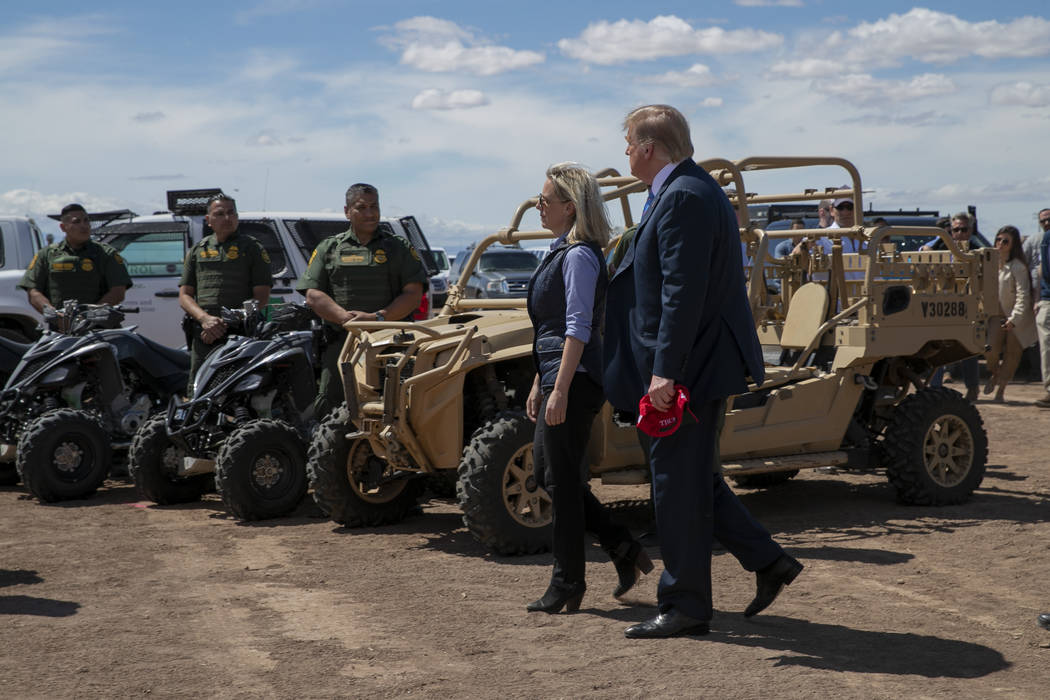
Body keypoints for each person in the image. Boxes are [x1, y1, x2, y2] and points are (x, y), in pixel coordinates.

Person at [604, 105, 801, 639]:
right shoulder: (682, 190)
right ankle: (769, 562)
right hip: (693, 362)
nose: (625, 152)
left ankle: (686, 604)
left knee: (676, 488)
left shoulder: (685, 195)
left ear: (649, 147)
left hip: (688, 368)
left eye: (629, 143)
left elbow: (682, 292)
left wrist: (664, 371)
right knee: (692, 481)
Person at [523, 163, 652, 615]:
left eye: (544, 201)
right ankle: (622, 547)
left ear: (570, 207)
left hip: (576, 380)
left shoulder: (578, 255)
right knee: (550, 475)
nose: (538, 207)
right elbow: (550, 328)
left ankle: (567, 582)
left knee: (561, 481)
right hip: (560, 376)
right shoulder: (561, 250)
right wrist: (541, 382)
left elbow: (578, 327)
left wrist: (558, 389)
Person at [298, 183, 425, 418]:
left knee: (397, 406)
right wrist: (345, 319)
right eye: (362, 207)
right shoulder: (330, 247)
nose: (370, 213)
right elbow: (313, 294)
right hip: (342, 344)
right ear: (347, 211)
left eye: (374, 207)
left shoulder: (398, 247)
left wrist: (377, 318)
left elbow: (413, 294)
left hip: (391, 344)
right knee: (331, 405)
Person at [179, 194, 272, 392]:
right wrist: (205, 320)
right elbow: (185, 296)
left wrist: (225, 323)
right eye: (220, 214)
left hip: (240, 334)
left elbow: (261, 297)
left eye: (231, 213)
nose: (227, 218)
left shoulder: (252, 248)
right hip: (205, 334)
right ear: (208, 220)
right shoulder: (197, 250)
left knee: (238, 391)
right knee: (198, 389)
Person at [19, 203, 132, 322]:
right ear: (63, 227)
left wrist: (90, 316)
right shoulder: (47, 255)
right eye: (76, 222)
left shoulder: (106, 253)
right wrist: (55, 315)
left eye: (86, 221)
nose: (84, 226)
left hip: (98, 327)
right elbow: (33, 292)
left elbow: (118, 291)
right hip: (61, 327)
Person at [927, 212, 982, 401]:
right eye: (955, 230)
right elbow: (925, 252)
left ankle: (973, 387)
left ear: (971, 230)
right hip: (941, 305)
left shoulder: (977, 250)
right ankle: (935, 389)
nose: (959, 234)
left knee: (969, 349)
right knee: (936, 348)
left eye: (964, 229)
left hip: (968, 306)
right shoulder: (941, 246)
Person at [984, 226, 1037, 402]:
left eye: (1005, 241)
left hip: (1016, 317)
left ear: (1013, 245)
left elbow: (1023, 295)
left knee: (1012, 355)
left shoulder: (1018, 267)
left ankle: (1001, 390)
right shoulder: (990, 265)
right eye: (998, 239)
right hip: (996, 315)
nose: (1000, 244)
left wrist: (1014, 319)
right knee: (989, 349)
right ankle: (995, 373)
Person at [1022, 207, 1050, 408]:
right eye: (1043, 221)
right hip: (1046, 298)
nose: (1047, 223)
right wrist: (1037, 299)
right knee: (1046, 346)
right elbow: (1039, 270)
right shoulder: (1041, 240)